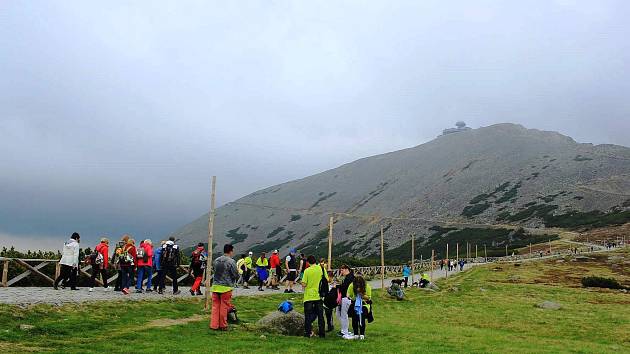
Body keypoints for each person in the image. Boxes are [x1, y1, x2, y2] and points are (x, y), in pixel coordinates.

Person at [209, 244, 239, 331]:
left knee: (215, 307)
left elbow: (214, 270)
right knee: (224, 307)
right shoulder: (231, 261)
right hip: (226, 287)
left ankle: (214, 325)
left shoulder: (216, 260)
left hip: (215, 286)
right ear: (231, 251)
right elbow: (235, 274)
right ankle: (223, 325)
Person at [301, 255, 328, 338]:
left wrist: (302, 283)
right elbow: (327, 279)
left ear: (308, 262)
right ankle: (322, 333)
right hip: (319, 296)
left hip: (309, 296)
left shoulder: (307, 271)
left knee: (308, 316)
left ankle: (308, 333)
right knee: (320, 315)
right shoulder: (321, 268)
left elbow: (304, 284)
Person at [345, 275, 372, 340]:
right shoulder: (351, 285)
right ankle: (356, 334)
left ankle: (362, 334)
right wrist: (350, 296)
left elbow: (369, 298)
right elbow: (348, 295)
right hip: (354, 304)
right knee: (354, 318)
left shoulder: (367, 286)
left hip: (364, 304)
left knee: (362, 317)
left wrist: (361, 294)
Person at [336, 264, 354, 337]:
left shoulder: (350, 277)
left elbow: (344, 287)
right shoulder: (348, 277)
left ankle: (344, 331)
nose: (341, 272)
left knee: (344, 315)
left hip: (346, 298)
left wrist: (337, 286)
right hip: (345, 298)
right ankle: (344, 329)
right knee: (341, 314)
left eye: (342, 270)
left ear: (347, 269)